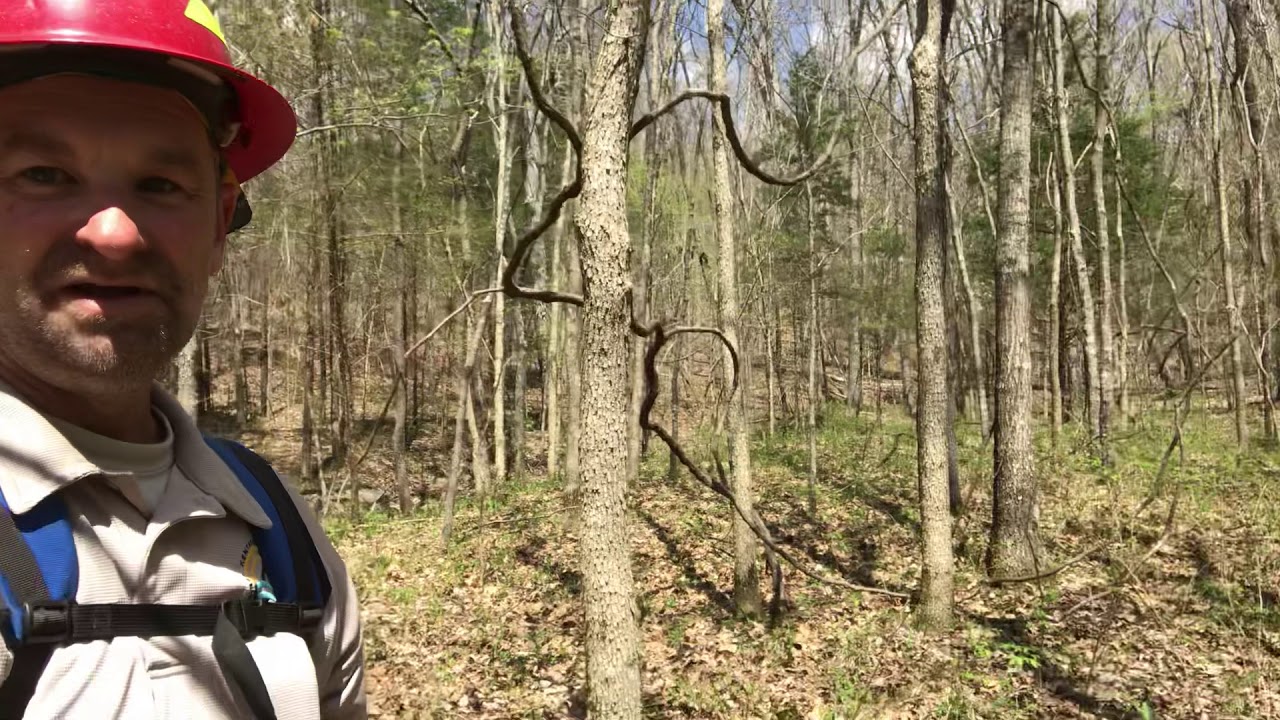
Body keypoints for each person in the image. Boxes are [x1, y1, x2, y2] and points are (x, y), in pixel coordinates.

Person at [0, 2, 366, 718]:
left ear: (221, 222)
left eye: (161, 185)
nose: (113, 233)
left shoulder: (280, 529)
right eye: (44, 173)